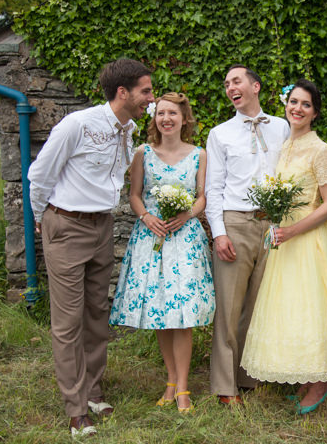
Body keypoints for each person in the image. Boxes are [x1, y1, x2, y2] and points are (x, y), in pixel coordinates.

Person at [27, 58, 154, 436]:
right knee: (67, 323)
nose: (150, 98)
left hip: (102, 226)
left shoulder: (128, 129)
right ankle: (76, 408)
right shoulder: (77, 125)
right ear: (123, 92)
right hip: (66, 226)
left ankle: (94, 391)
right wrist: (46, 223)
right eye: (145, 91)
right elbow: (39, 175)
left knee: (97, 314)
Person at [240, 79, 327, 414]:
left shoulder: (321, 150)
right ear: (286, 105)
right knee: (290, 307)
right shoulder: (284, 146)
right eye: (293, 102)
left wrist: (292, 232)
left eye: (306, 104)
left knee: (312, 308)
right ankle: (305, 376)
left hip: (308, 240)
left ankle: (320, 383)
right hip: (283, 238)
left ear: (315, 112)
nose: (298, 109)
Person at [109, 92, 214, 413]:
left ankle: (183, 388)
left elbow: (201, 198)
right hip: (151, 237)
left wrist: (187, 214)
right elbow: (135, 195)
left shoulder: (199, 154)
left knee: (182, 317)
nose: (166, 119)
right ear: (154, 118)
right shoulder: (143, 152)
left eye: (173, 114)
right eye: (161, 113)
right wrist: (145, 216)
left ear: (184, 118)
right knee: (160, 314)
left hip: (185, 239)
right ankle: (170, 381)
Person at [205, 65, 290, 405]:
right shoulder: (220, 133)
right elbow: (213, 188)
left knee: (258, 305)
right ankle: (225, 387)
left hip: (272, 226)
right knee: (228, 308)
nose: (230, 87)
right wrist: (219, 233)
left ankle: (249, 377)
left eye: (236, 81)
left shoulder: (282, 127)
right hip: (235, 222)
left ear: (255, 86)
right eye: (226, 84)